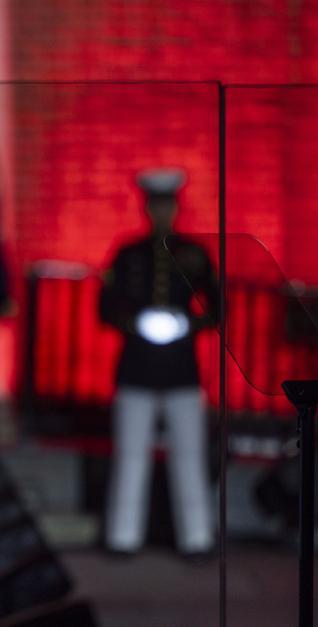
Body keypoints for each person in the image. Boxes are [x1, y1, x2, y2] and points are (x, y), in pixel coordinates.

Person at [99, 167, 217, 556]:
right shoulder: (128, 254)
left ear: (176, 207)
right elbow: (105, 307)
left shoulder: (195, 254)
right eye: (156, 204)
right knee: (131, 457)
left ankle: (197, 538)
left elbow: (217, 306)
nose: (161, 211)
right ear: (147, 207)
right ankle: (123, 538)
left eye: (168, 204)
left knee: (190, 457)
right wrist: (136, 322)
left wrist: (189, 322)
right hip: (137, 368)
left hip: (182, 370)